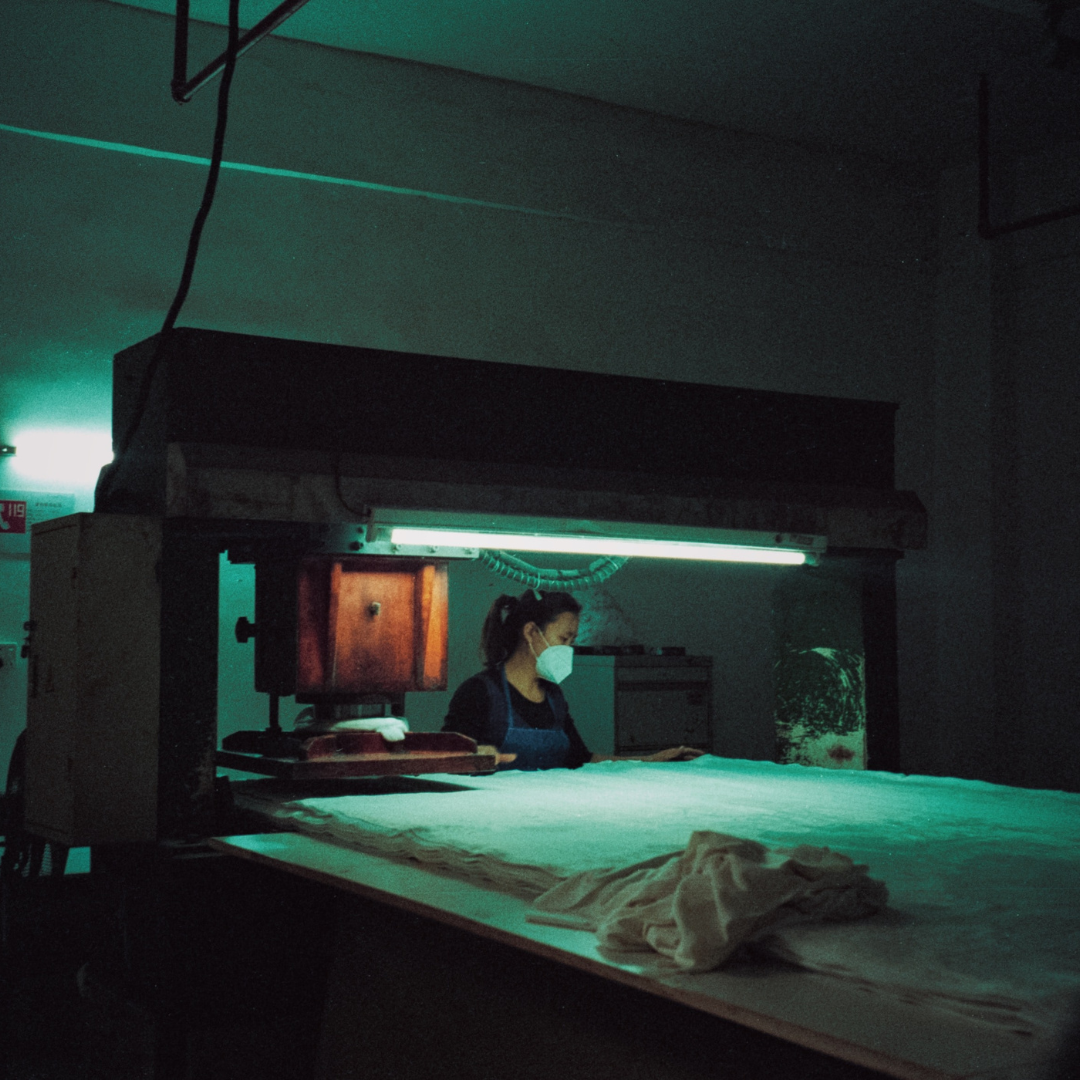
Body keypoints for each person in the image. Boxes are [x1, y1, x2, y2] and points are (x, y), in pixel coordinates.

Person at [442, 590, 704, 770]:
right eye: (563, 639)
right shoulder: (479, 692)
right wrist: (476, 759)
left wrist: (649, 760)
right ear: (531, 632)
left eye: (573, 641)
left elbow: (582, 759)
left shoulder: (554, 697)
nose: (568, 649)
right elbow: (444, 762)